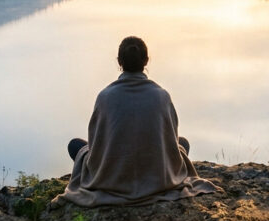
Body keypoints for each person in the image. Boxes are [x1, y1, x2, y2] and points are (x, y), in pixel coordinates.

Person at [60, 36, 217, 206]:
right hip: (158, 178)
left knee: (75, 145)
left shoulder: (105, 97)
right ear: (146, 61)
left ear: (119, 61)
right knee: (182, 143)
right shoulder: (161, 96)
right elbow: (170, 139)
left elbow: (97, 143)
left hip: (111, 179)